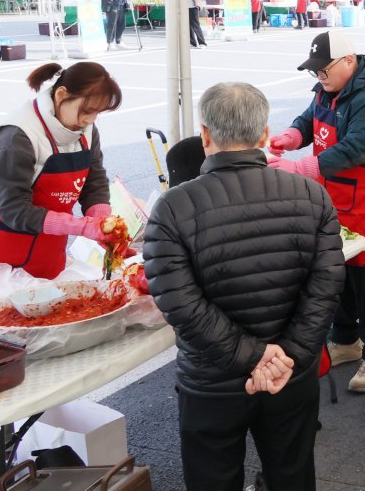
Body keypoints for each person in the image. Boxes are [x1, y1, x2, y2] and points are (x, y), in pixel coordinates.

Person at [144, 82, 344, 491]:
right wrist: (285, 357)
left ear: (205, 137)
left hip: (212, 382)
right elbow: (326, 286)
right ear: (265, 134)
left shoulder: (172, 208)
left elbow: (180, 304)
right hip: (291, 375)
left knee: (213, 480)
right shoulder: (312, 195)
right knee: (292, 476)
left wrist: (253, 358)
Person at [268, 31, 365, 393]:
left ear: (348, 62)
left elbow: (355, 149)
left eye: (323, 71)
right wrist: (292, 136)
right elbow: (309, 119)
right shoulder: (326, 90)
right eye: (315, 72)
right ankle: (345, 340)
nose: (319, 78)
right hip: (331, 195)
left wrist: (301, 167)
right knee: (333, 272)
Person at [0, 63, 122, 311]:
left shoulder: (85, 128)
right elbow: (13, 208)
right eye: (87, 110)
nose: (90, 120)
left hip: (46, 246)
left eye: (97, 113)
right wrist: (82, 226)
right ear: (61, 94)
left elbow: (94, 180)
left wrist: (102, 221)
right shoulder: (16, 136)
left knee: (51, 317)